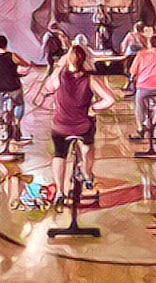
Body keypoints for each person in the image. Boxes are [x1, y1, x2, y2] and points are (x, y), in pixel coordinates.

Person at [38, 45, 115, 203]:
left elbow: (46, 89)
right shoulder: (90, 79)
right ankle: (87, 174)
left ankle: (60, 192)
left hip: (61, 125)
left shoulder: (59, 76)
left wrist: (58, 68)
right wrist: (93, 108)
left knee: (59, 155)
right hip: (82, 125)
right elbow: (110, 99)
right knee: (88, 146)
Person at [0, 35, 31, 140]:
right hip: (13, 86)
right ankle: (17, 123)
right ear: (6, 44)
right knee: (19, 104)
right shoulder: (12, 56)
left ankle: (0, 117)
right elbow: (25, 64)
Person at [129, 34, 156, 137]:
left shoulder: (141, 54)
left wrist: (134, 76)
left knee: (138, 104)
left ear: (149, 44)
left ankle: (140, 128)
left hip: (143, 87)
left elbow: (132, 71)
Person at [120, 21, 149, 92]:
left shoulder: (130, 35)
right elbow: (146, 46)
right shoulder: (143, 36)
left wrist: (123, 52)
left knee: (128, 70)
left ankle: (129, 85)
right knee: (138, 71)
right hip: (140, 55)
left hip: (130, 55)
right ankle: (134, 85)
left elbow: (124, 44)